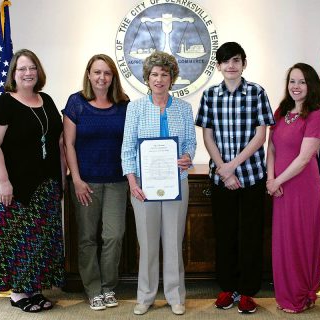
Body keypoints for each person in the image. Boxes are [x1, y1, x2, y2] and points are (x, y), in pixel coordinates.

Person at [0, 49, 66, 313]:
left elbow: (58, 143)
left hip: (45, 187)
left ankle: (35, 289)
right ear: (13, 74)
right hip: (14, 189)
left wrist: (60, 181)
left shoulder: (47, 100)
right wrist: (3, 182)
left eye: (32, 68)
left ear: (38, 72)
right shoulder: (3, 104)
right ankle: (18, 293)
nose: (28, 73)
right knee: (18, 241)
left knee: (39, 241)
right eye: (22, 69)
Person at [195, 42, 275, 314]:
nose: (231, 65)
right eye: (226, 61)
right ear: (218, 66)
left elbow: (260, 135)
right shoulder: (210, 95)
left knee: (251, 235)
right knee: (225, 234)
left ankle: (249, 292)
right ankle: (228, 288)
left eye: (236, 60)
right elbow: (207, 135)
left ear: (244, 64)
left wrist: (232, 166)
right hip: (221, 180)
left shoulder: (256, 93)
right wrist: (223, 169)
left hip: (251, 177)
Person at [121, 51, 196, 316]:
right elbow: (128, 148)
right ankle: (146, 296)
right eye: (154, 74)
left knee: (174, 242)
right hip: (143, 185)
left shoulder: (185, 108)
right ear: (147, 78)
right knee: (148, 242)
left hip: (177, 183)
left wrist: (187, 157)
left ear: (172, 78)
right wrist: (132, 182)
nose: (159, 79)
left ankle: (176, 296)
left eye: (165, 74)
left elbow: (190, 144)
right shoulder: (136, 108)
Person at [62, 54, 130, 311]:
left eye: (107, 73)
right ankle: (93, 289)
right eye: (97, 72)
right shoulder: (76, 103)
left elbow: (132, 141)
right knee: (87, 238)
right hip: (85, 182)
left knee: (114, 235)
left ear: (113, 77)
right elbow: (67, 143)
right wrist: (76, 180)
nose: (102, 77)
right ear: (89, 74)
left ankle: (108, 287)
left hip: (116, 181)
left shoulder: (123, 105)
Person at [266, 63, 320, 313]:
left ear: (311, 85)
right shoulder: (281, 111)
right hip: (279, 187)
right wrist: (271, 179)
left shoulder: (316, 115)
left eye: (301, 81)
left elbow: (304, 158)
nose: (296, 86)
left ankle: (301, 295)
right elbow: (271, 148)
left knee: (300, 239)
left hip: (302, 188)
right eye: (292, 81)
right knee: (283, 241)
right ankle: (286, 295)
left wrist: (278, 181)